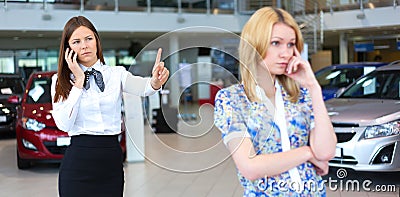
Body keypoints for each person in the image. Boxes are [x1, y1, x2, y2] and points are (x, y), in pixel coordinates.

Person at [214, 7, 337, 196]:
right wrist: (307, 153)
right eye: (276, 43)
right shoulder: (232, 100)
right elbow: (250, 167)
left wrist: (314, 88)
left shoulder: (301, 95)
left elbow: (326, 152)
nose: (285, 53)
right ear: (255, 44)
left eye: (290, 45)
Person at [51, 16, 169, 197]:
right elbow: (64, 124)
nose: (84, 45)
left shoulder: (116, 74)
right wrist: (79, 83)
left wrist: (154, 81)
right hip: (78, 162)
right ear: (68, 48)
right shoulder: (60, 81)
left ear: (97, 41)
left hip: (110, 161)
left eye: (89, 39)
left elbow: (144, 87)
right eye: (76, 41)